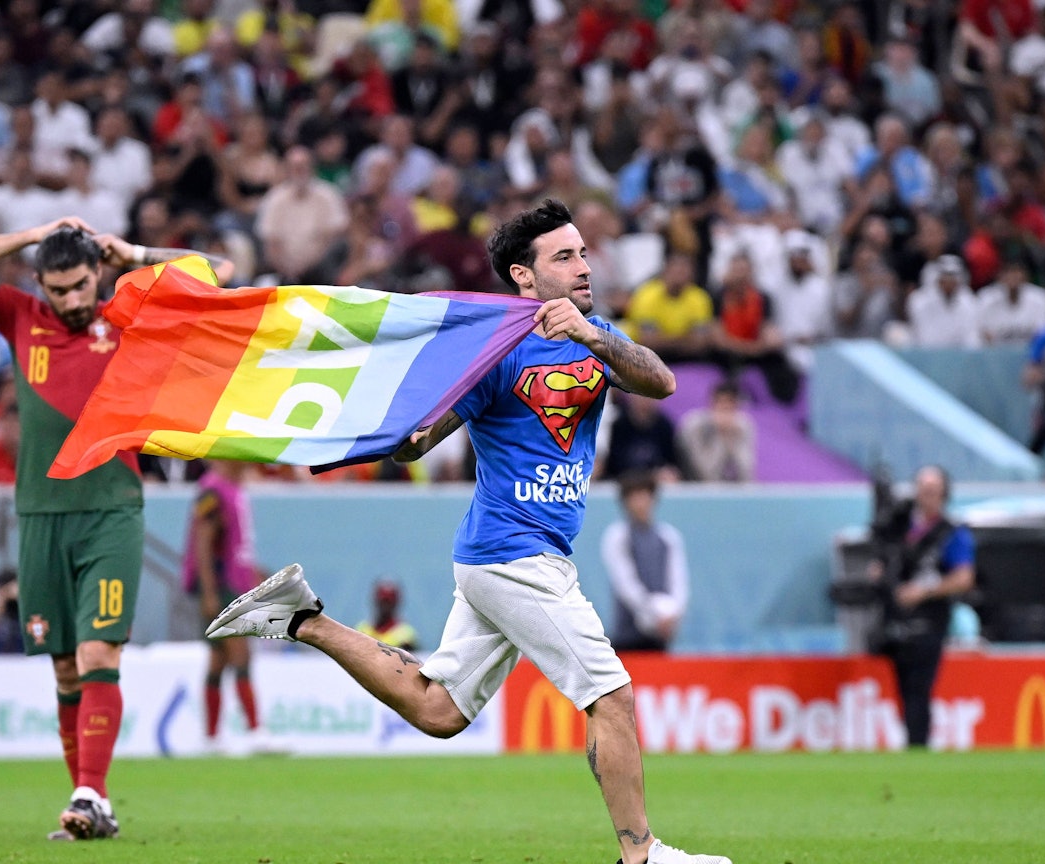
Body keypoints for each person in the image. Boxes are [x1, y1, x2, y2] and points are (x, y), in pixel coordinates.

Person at [206, 199, 728, 864]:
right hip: (514, 553)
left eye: (583, 253)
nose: (583, 266)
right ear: (523, 277)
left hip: (512, 557)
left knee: (439, 710)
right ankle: (642, 855)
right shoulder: (492, 351)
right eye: (563, 257)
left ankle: (301, 619)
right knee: (612, 696)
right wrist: (387, 431)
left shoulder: (596, 337)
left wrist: (593, 334)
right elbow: (421, 443)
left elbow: (660, 381)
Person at [0, 217, 232, 840]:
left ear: (97, 273)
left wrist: (137, 254)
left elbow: (219, 272)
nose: (69, 300)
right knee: (66, 669)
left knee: (100, 652)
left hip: (111, 512)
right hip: (40, 516)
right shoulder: (21, 316)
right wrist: (33, 233)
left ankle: (90, 793)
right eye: (57, 289)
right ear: (40, 283)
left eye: (78, 286)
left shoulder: (130, 314)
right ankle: (90, 808)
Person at [865, 465, 974, 749]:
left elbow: (964, 577)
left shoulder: (951, 533)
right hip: (895, 619)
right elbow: (882, 555)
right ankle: (912, 743)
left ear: (944, 495)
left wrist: (924, 591)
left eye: (931, 491)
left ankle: (918, 746)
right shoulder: (900, 526)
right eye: (921, 490)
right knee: (903, 690)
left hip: (930, 621)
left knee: (919, 689)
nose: (924, 497)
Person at [183, 460, 271, 755]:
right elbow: (204, 543)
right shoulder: (213, 490)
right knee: (240, 654)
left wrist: (253, 573)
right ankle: (255, 730)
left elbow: (236, 544)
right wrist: (209, 592)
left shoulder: (233, 488)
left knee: (218, 660)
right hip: (222, 587)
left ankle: (210, 737)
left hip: (234, 583)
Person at [601, 472, 690, 652]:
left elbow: (679, 581)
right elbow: (625, 583)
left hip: (662, 633)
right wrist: (653, 613)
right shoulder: (617, 536)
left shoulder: (668, 537)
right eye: (634, 497)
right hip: (627, 634)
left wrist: (671, 614)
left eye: (644, 495)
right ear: (625, 502)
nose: (640, 503)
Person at [356, 581, 419, 651]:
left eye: (388, 602)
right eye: (382, 601)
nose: (385, 606)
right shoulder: (362, 630)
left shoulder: (406, 635)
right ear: (375, 601)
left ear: (396, 603)